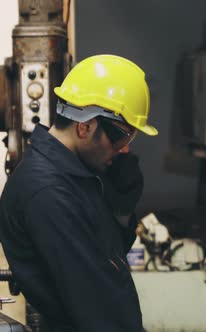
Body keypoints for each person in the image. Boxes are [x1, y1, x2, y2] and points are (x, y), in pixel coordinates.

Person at [0, 54, 158, 331]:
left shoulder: (74, 177)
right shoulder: (49, 193)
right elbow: (96, 306)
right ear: (85, 127)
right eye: (122, 136)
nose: (125, 148)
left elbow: (107, 256)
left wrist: (121, 208)